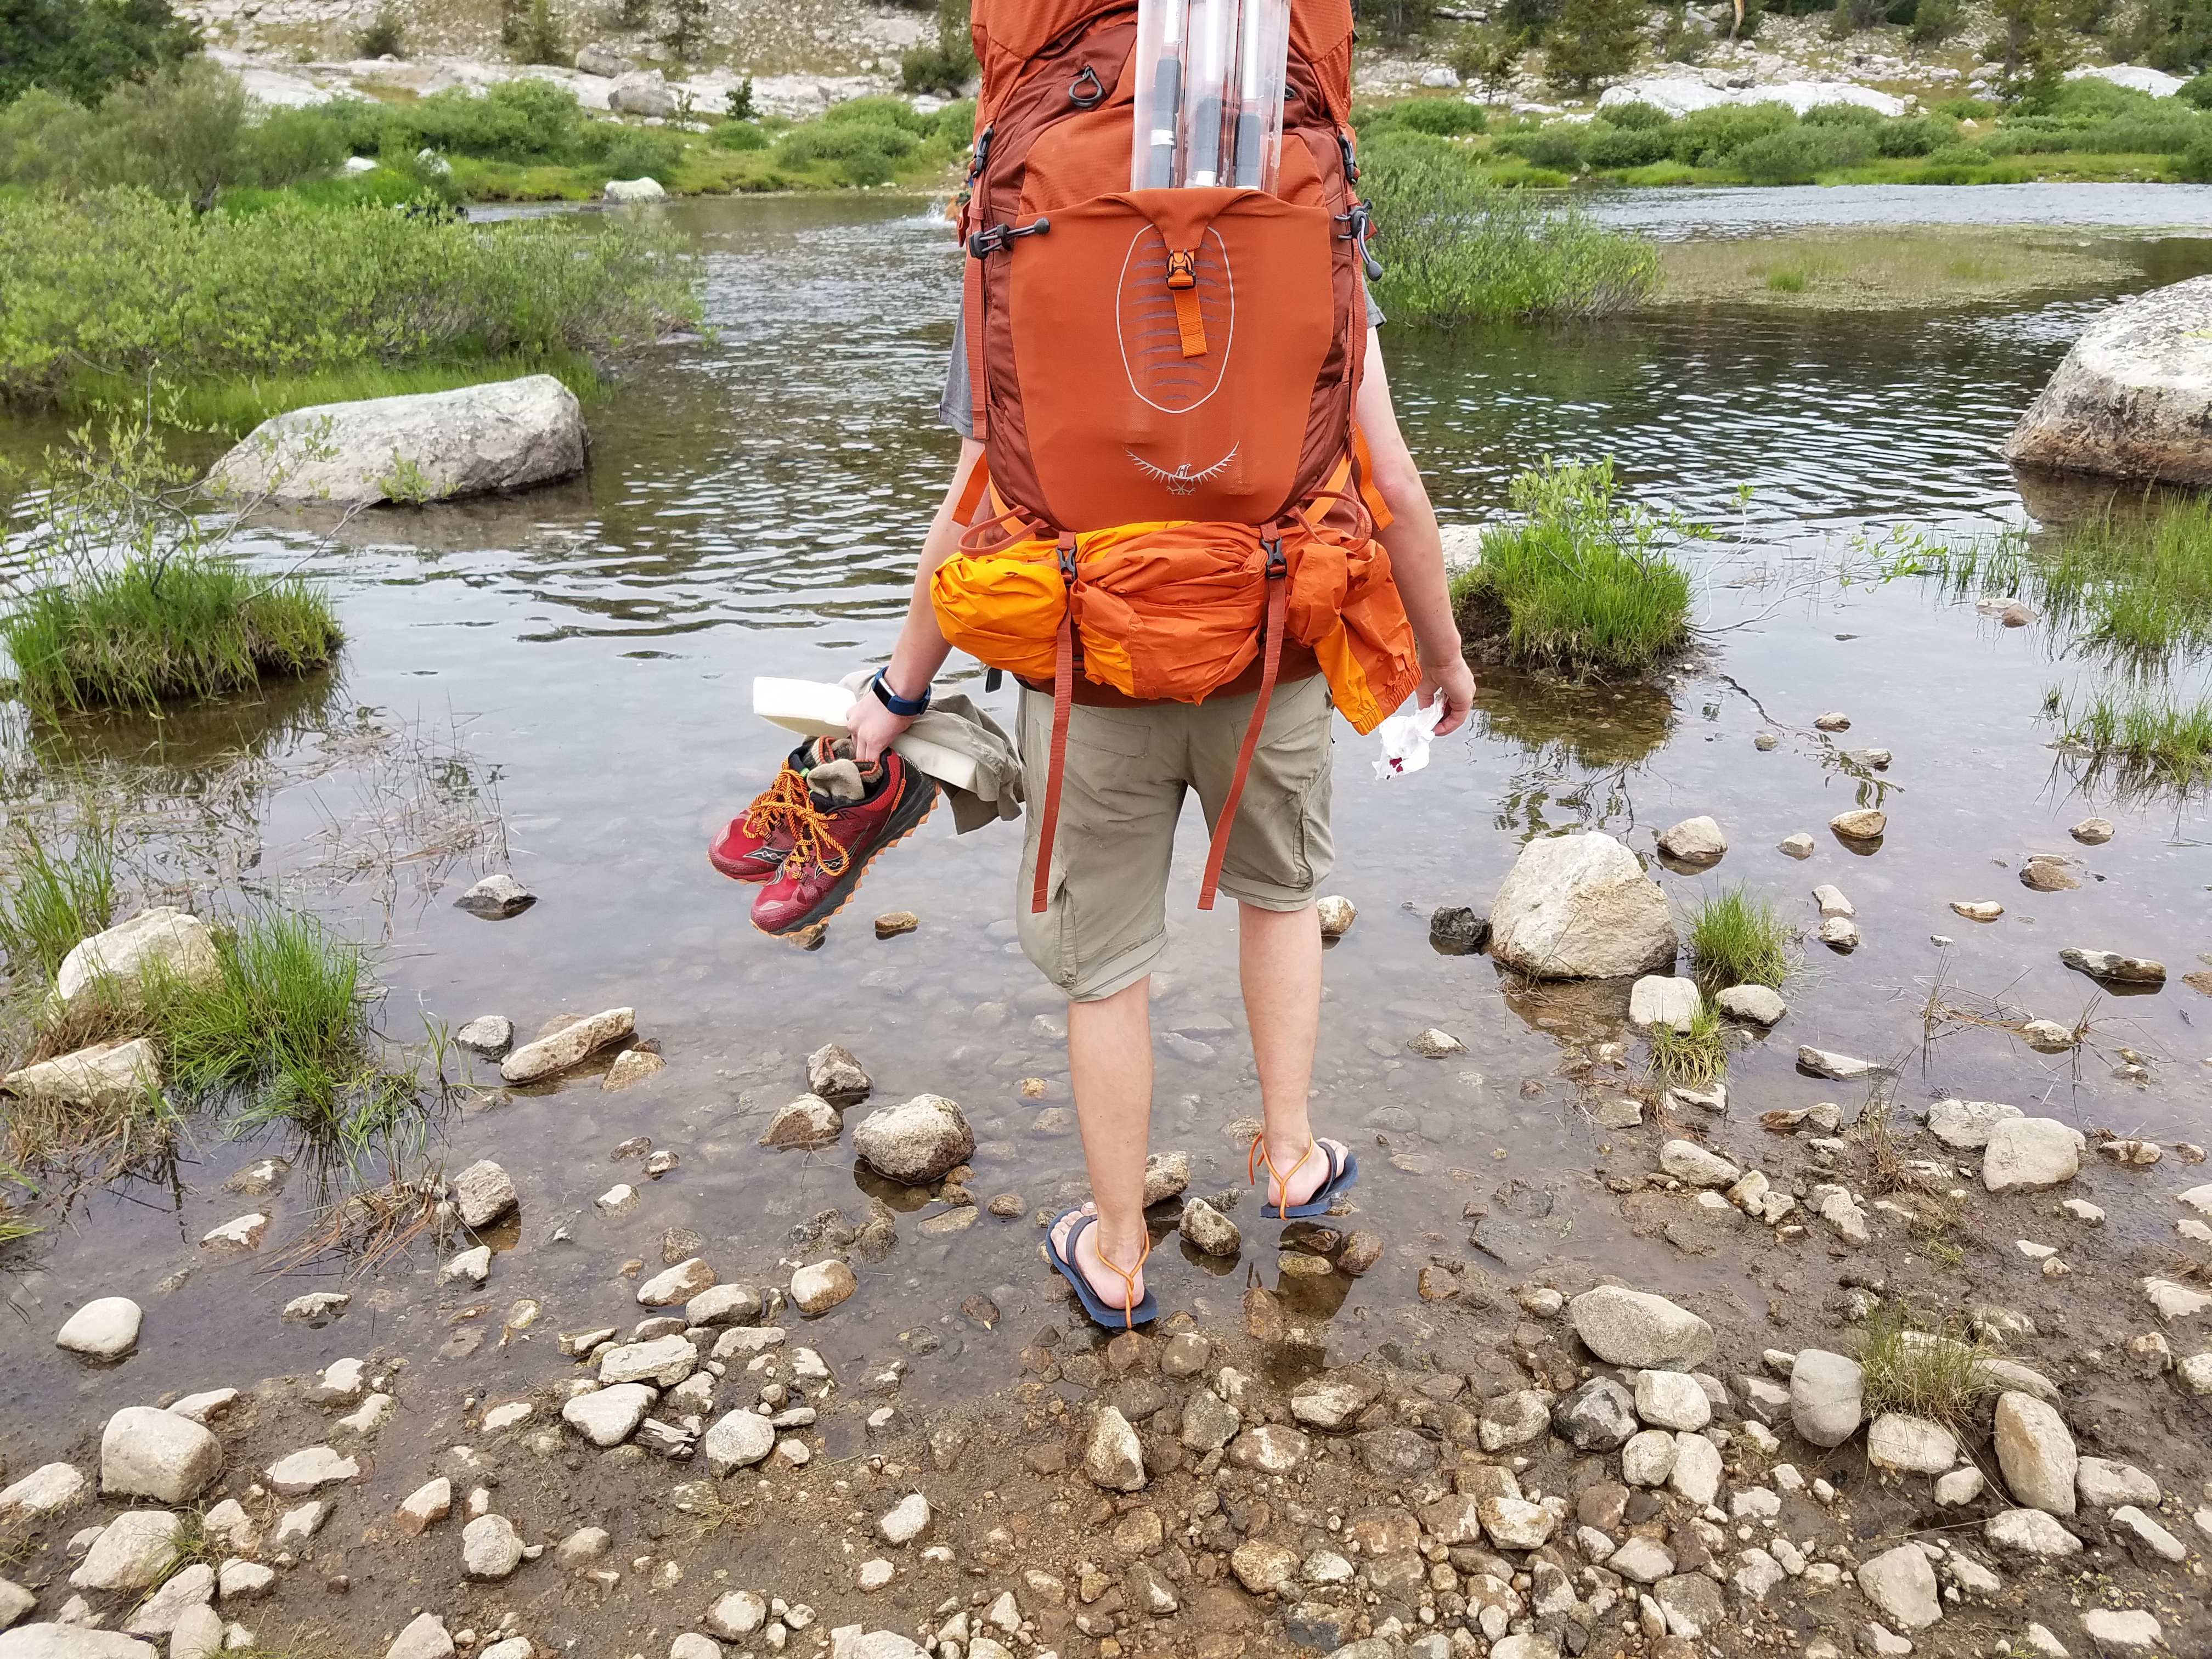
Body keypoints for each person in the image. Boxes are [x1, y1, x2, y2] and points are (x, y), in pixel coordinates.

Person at [843, 301, 1475, 1324]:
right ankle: (1292, 1160)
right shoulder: (1309, 234)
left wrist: (902, 688)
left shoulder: (1021, 253)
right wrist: (1441, 655)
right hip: (1271, 661)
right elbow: (1390, 480)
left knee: (1104, 968)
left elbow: (970, 505)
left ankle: (1121, 1251)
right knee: (1279, 899)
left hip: (1089, 675)